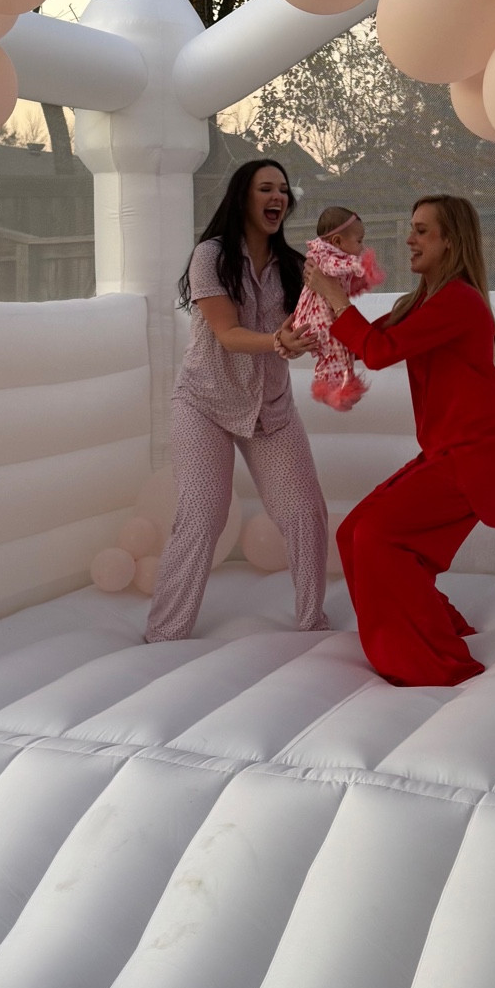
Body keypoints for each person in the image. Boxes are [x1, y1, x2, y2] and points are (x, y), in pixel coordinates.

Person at [296, 194, 495, 687]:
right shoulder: (422, 302)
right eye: (411, 228)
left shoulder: (459, 300)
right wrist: (298, 330)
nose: (409, 239)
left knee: (376, 537)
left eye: (422, 231)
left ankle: (432, 662)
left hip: (473, 456)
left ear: (450, 242)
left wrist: (334, 296)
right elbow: (358, 339)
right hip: (446, 452)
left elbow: (378, 353)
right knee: (354, 533)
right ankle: (439, 626)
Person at [144, 159, 329, 642]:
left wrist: (317, 319)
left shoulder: (292, 267)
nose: (278, 197)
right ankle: (164, 633)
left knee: (306, 514)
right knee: (204, 511)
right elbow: (226, 333)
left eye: (284, 190)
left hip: (271, 408)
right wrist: (277, 341)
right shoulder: (210, 256)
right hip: (204, 403)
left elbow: (306, 328)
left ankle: (312, 624)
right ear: (242, 197)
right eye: (266, 188)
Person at [291, 206, 385, 410]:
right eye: (359, 241)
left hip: (320, 314)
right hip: (317, 317)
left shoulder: (326, 254)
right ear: (337, 242)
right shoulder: (325, 256)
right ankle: (339, 388)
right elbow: (333, 267)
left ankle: (331, 384)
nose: (362, 247)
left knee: (335, 352)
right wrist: (361, 265)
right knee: (338, 348)